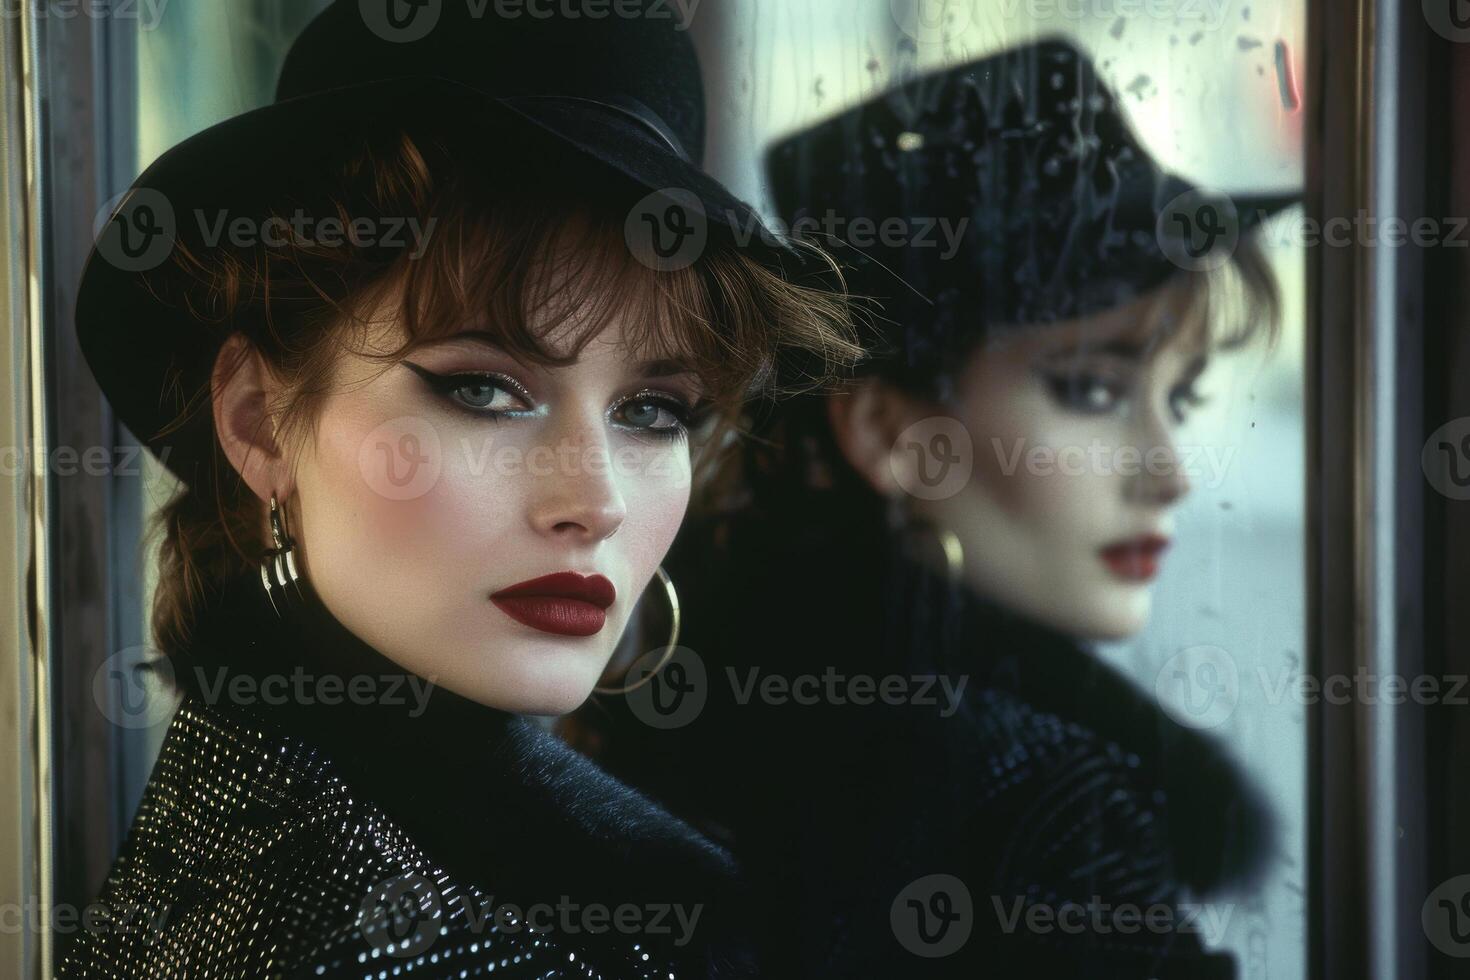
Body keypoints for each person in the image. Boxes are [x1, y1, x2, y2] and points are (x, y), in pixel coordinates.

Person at [58, 3, 859, 977]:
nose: (594, 500)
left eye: (655, 411)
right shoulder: (373, 931)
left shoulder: (266, 805)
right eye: (484, 390)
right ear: (259, 421)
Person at [583, 37, 1294, 977]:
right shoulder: (1046, 807)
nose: (1170, 472)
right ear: (890, 433)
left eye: (1182, 400)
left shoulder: (699, 724)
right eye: (1090, 390)